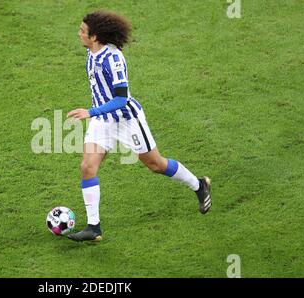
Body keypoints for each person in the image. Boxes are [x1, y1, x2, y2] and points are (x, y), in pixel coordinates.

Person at [67, 10, 211, 242]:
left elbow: (121, 99)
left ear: (95, 37)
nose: (79, 33)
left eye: (83, 31)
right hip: (103, 121)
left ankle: (199, 184)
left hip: (126, 120)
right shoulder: (91, 53)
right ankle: (94, 228)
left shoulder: (113, 60)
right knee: (87, 167)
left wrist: (90, 111)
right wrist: (96, 114)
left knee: (155, 164)